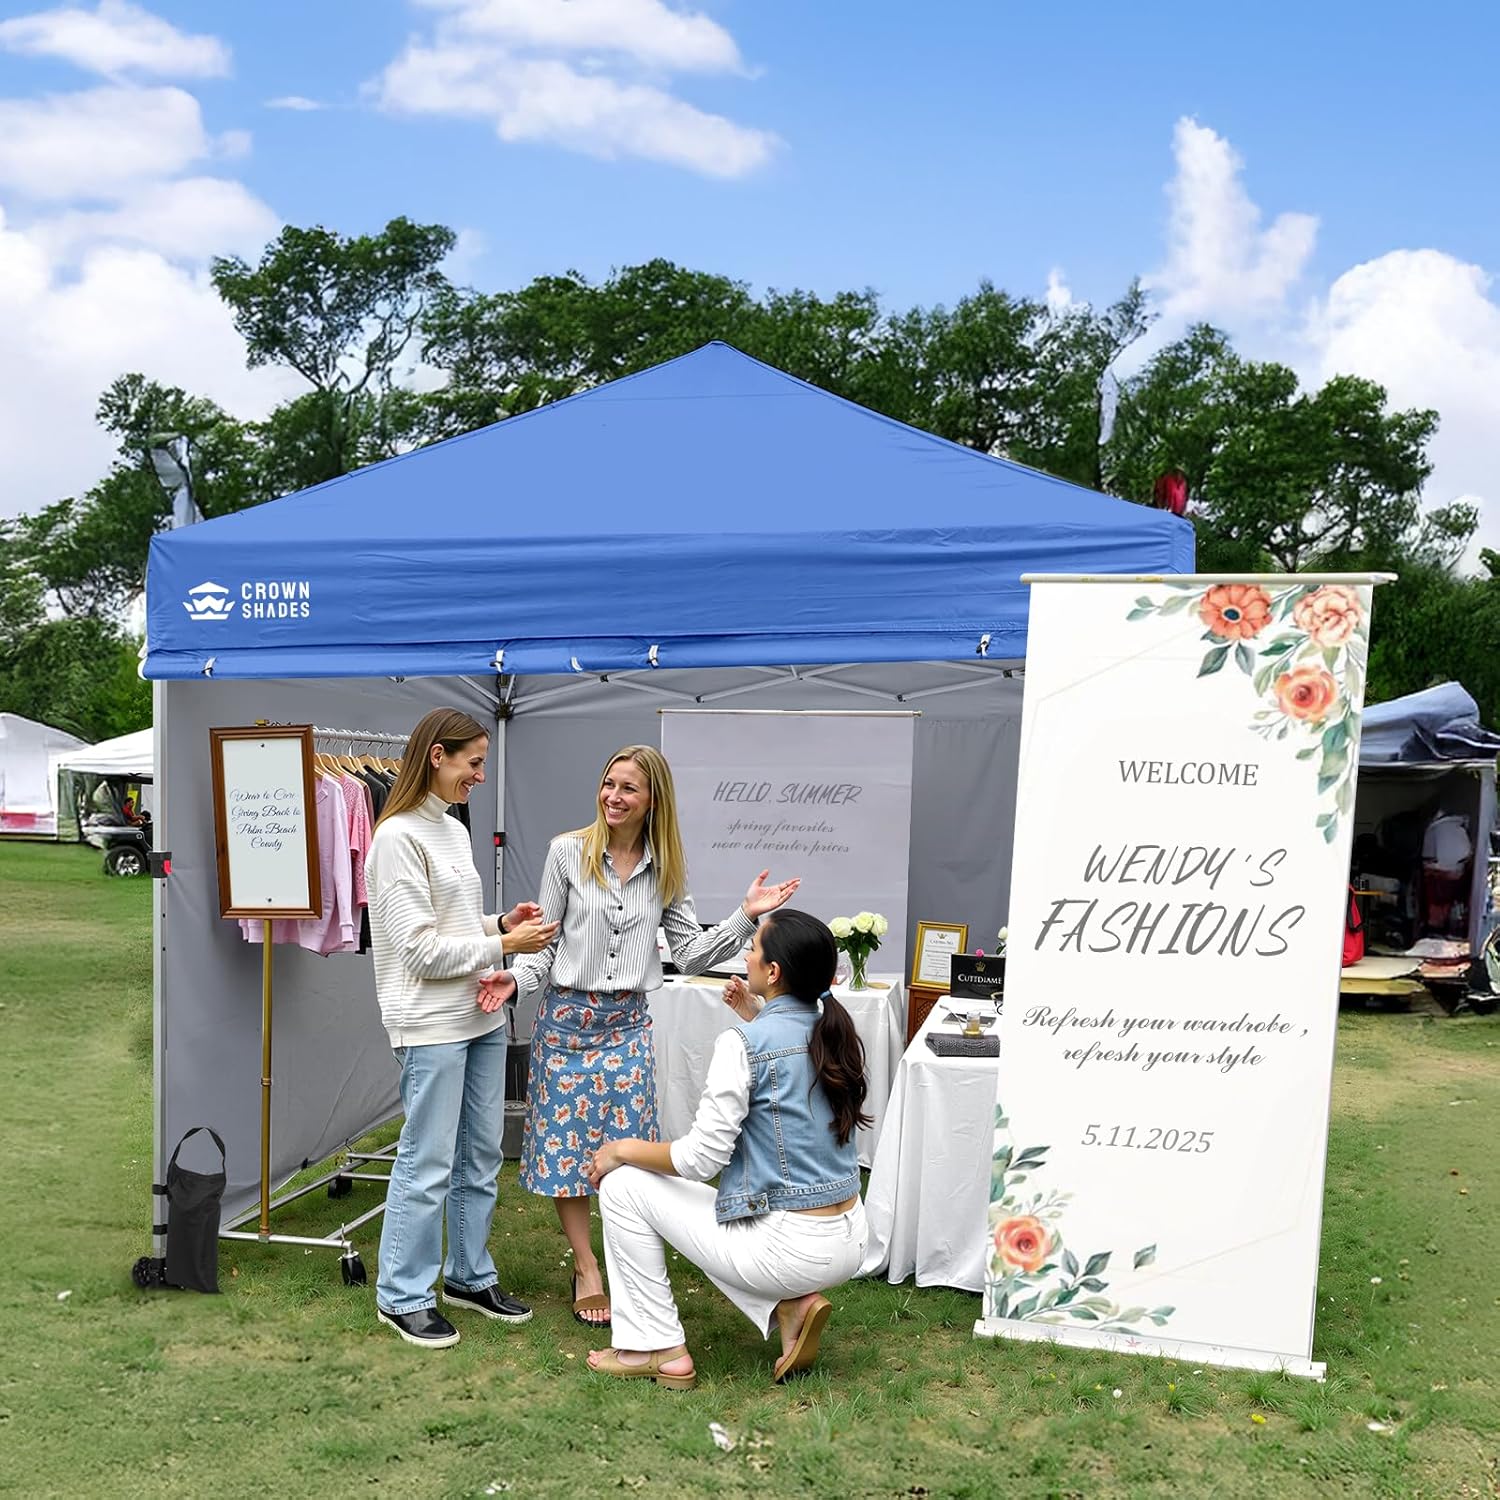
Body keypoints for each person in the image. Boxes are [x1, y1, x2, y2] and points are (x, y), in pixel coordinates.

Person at [505, 744, 799, 1328]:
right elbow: (545, 942)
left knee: (629, 1151)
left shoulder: (665, 869)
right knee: (567, 1153)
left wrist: (745, 915)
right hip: (566, 1024)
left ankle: (627, 1257)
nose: (613, 797)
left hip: (627, 1027)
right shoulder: (567, 853)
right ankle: (587, 1266)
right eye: (608, 783)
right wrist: (514, 982)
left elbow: (689, 953)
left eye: (628, 788)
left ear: (652, 800)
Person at [581, 908, 869, 1390]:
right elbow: (789, 1068)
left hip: (791, 1249)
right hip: (851, 1238)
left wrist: (622, 1149)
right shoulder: (833, 1030)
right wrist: (758, 1017)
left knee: (622, 1185)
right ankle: (792, 1308)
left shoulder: (743, 1043)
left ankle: (656, 1347)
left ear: (773, 972)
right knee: (715, 1214)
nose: (746, 957)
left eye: (753, 949)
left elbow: (700, 1160)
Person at [366, 707, 559, 1348]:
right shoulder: (397, 838)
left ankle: (468, 1275)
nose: (480, 774)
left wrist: (500, 922)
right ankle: (402, 1294)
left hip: (478, 1015)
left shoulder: (449, 827)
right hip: (429, 1023)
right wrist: (506, 944)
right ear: (436, 757)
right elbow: (419, 951)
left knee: (480, 1153)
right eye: (473, 762)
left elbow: (450, 924)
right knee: (427, 1159)